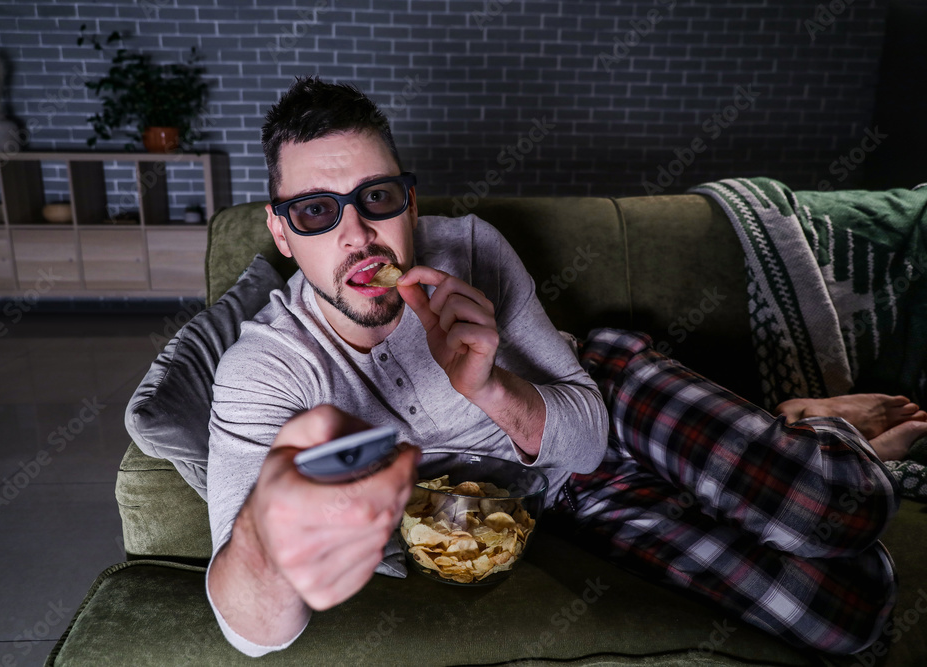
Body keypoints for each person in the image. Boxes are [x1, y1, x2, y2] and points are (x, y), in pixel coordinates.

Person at [205, 76, 927, 658]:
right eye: (315, 214)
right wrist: (265, 540)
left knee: (843, 502)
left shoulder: (471, 250)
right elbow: (249, 631)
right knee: (849, 611)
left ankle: (816, 434)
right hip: (562, 501)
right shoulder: (266, 370)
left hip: (606, 392)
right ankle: (792, 423)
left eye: (378, 199)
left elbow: (586, 431)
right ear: (280, 229)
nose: (356, 234)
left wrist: (488, 384)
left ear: (410, 202)